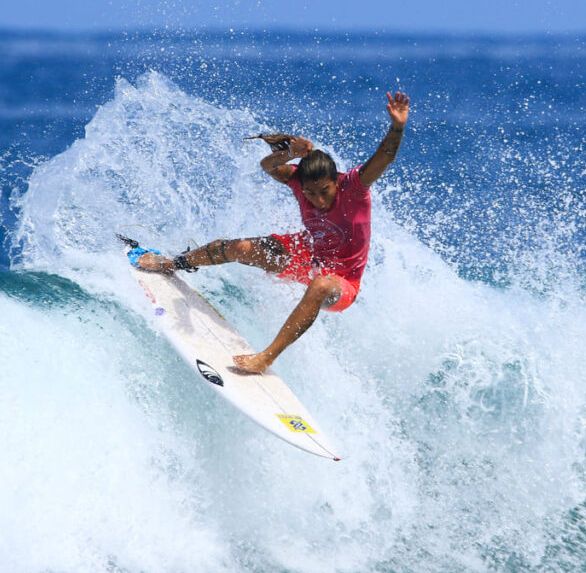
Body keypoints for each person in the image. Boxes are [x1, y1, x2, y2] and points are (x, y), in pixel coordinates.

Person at [132, 91, 410, 373]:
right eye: (310, 193)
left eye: (324, 191)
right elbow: (268, 166)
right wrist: (290, 153)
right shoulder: (298, 183)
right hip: (306, 254)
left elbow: (385, 156)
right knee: (239, 248)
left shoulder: (354, 188)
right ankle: (171, 263)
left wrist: (397, 126)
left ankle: (266, 357)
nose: (318, 200)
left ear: (335, 182)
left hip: (343, 281)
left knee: (321, 285)